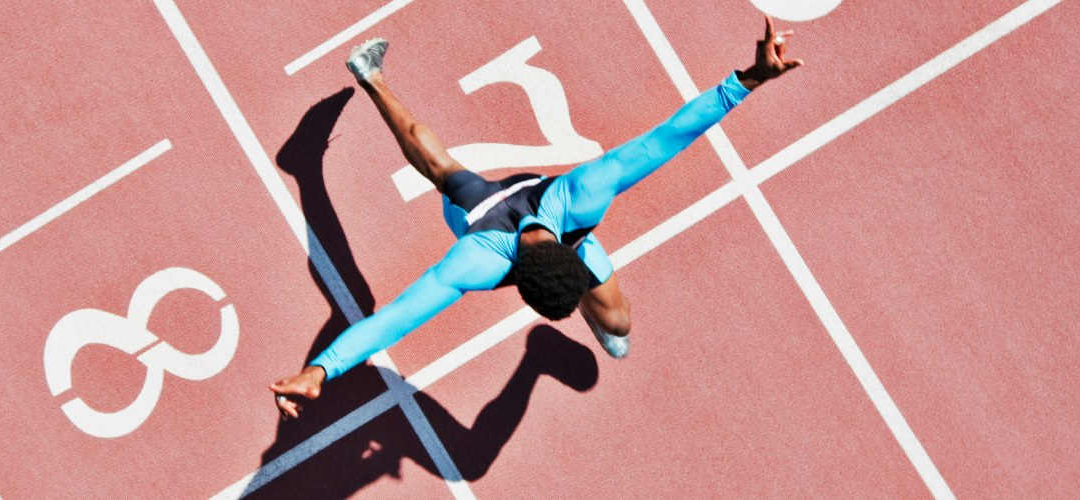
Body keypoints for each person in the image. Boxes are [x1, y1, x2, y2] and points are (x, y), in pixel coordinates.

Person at [273, 18, 804, 418]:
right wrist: (321, 369)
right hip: (480, 219)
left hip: (530, 220)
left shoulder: (579, 200)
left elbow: (666, 139)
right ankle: (370, 76)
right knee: (443, 173)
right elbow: (395, 318)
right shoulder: (479, 258)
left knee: (615, 324)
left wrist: (323, 368)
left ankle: (351, 101)